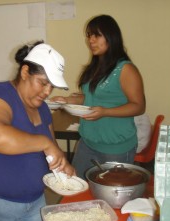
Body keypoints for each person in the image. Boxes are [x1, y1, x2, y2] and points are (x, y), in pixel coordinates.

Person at [0, 41, 75, 221]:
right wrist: (46, 143)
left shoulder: (43, 109)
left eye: (51, 86)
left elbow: (51, 150)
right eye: (43, 82)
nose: (47, 91)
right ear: (24, 72)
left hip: (34, 200)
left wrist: (62, 167)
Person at [51, 15, 146, 179]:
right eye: (89, 35)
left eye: (97, 35)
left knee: (111, 196)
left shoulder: (125, 69)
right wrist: (66, 101)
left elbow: (139, 106)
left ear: (111, 37)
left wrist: (105, 112)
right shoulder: (94, 67)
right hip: (87, 143)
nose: (91, 40)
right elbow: (88, 98)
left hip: (116, 147)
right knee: (78, 188)